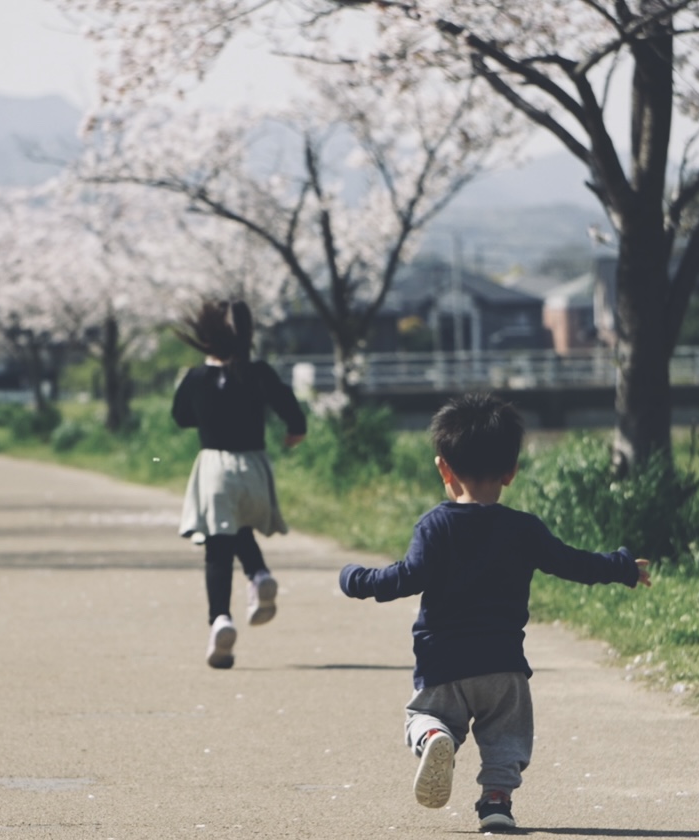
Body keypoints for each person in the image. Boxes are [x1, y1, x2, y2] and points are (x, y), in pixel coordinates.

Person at [338, 393, 651, 832]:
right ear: (511, 471)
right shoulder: (524, 529)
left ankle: (435, 737)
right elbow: (572, 563)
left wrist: (355, 579)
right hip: (503, 666)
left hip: (443, 662)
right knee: (506, 738)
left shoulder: (435, 525)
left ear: (443, 468)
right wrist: (621, 567)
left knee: (423, 717)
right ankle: (496, 801)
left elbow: (403, 579)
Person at [171, 299, 307, 669]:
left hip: (215, 469)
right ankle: (259, 575)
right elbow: (292, 410)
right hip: (255, 467)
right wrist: (295, 432)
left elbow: (181, 417)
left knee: (218, 545)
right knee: (238, 526)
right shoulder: (258, 373)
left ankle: (220, 620)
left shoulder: (196, 379)